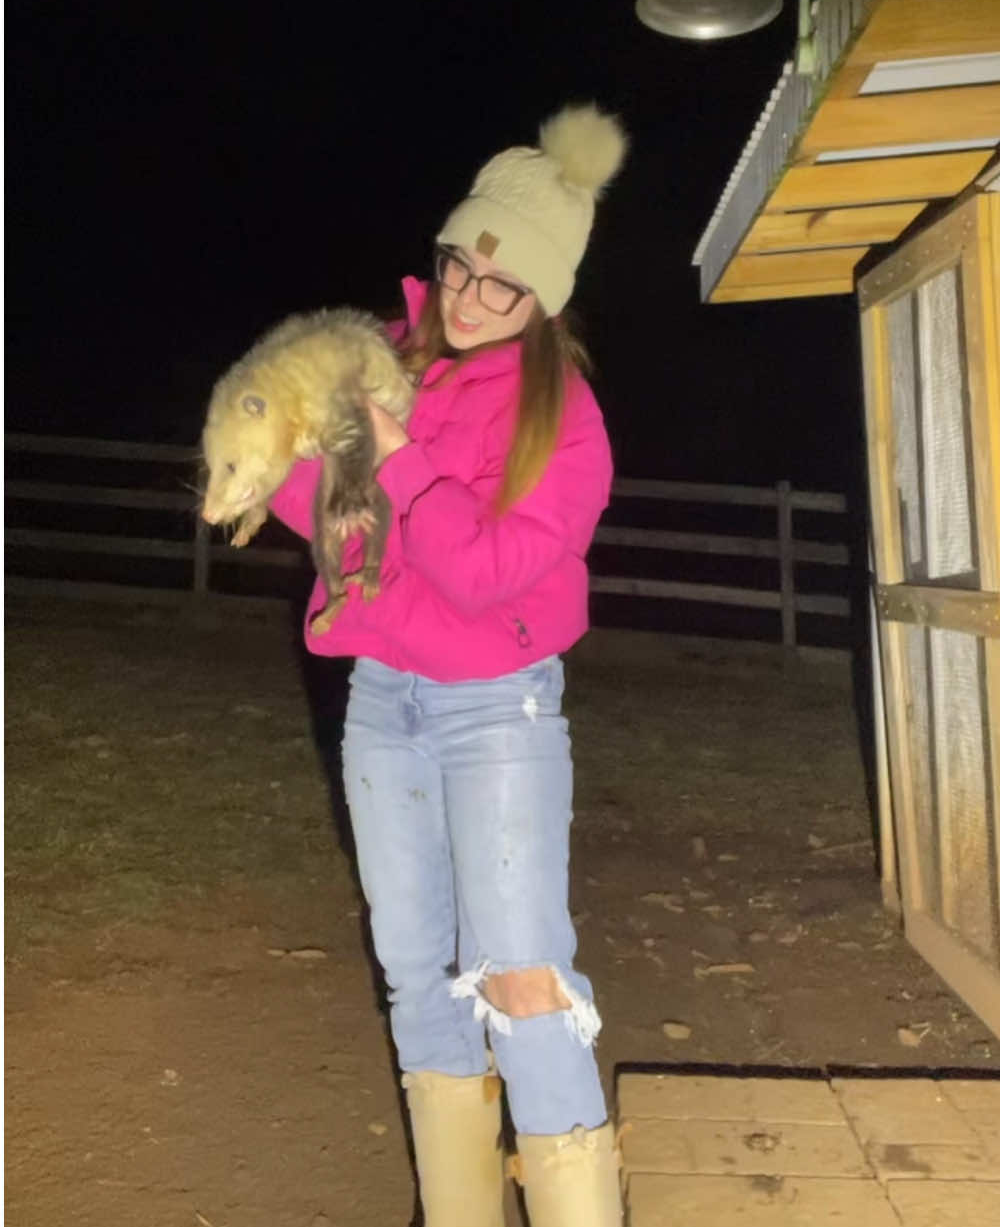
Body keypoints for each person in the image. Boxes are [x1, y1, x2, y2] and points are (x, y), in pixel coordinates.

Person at [269, 103, 627, 1226]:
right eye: (461, 268)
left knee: (521, 982)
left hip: (497, 712)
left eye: (501, 285)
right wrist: (277, 449)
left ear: (546, 299)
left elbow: (480, 575)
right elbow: (329, 520)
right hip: (382, 701)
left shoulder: (564, 421)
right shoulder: (385, 359)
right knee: (415, 979)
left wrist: (399, 457)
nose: (470, 299)